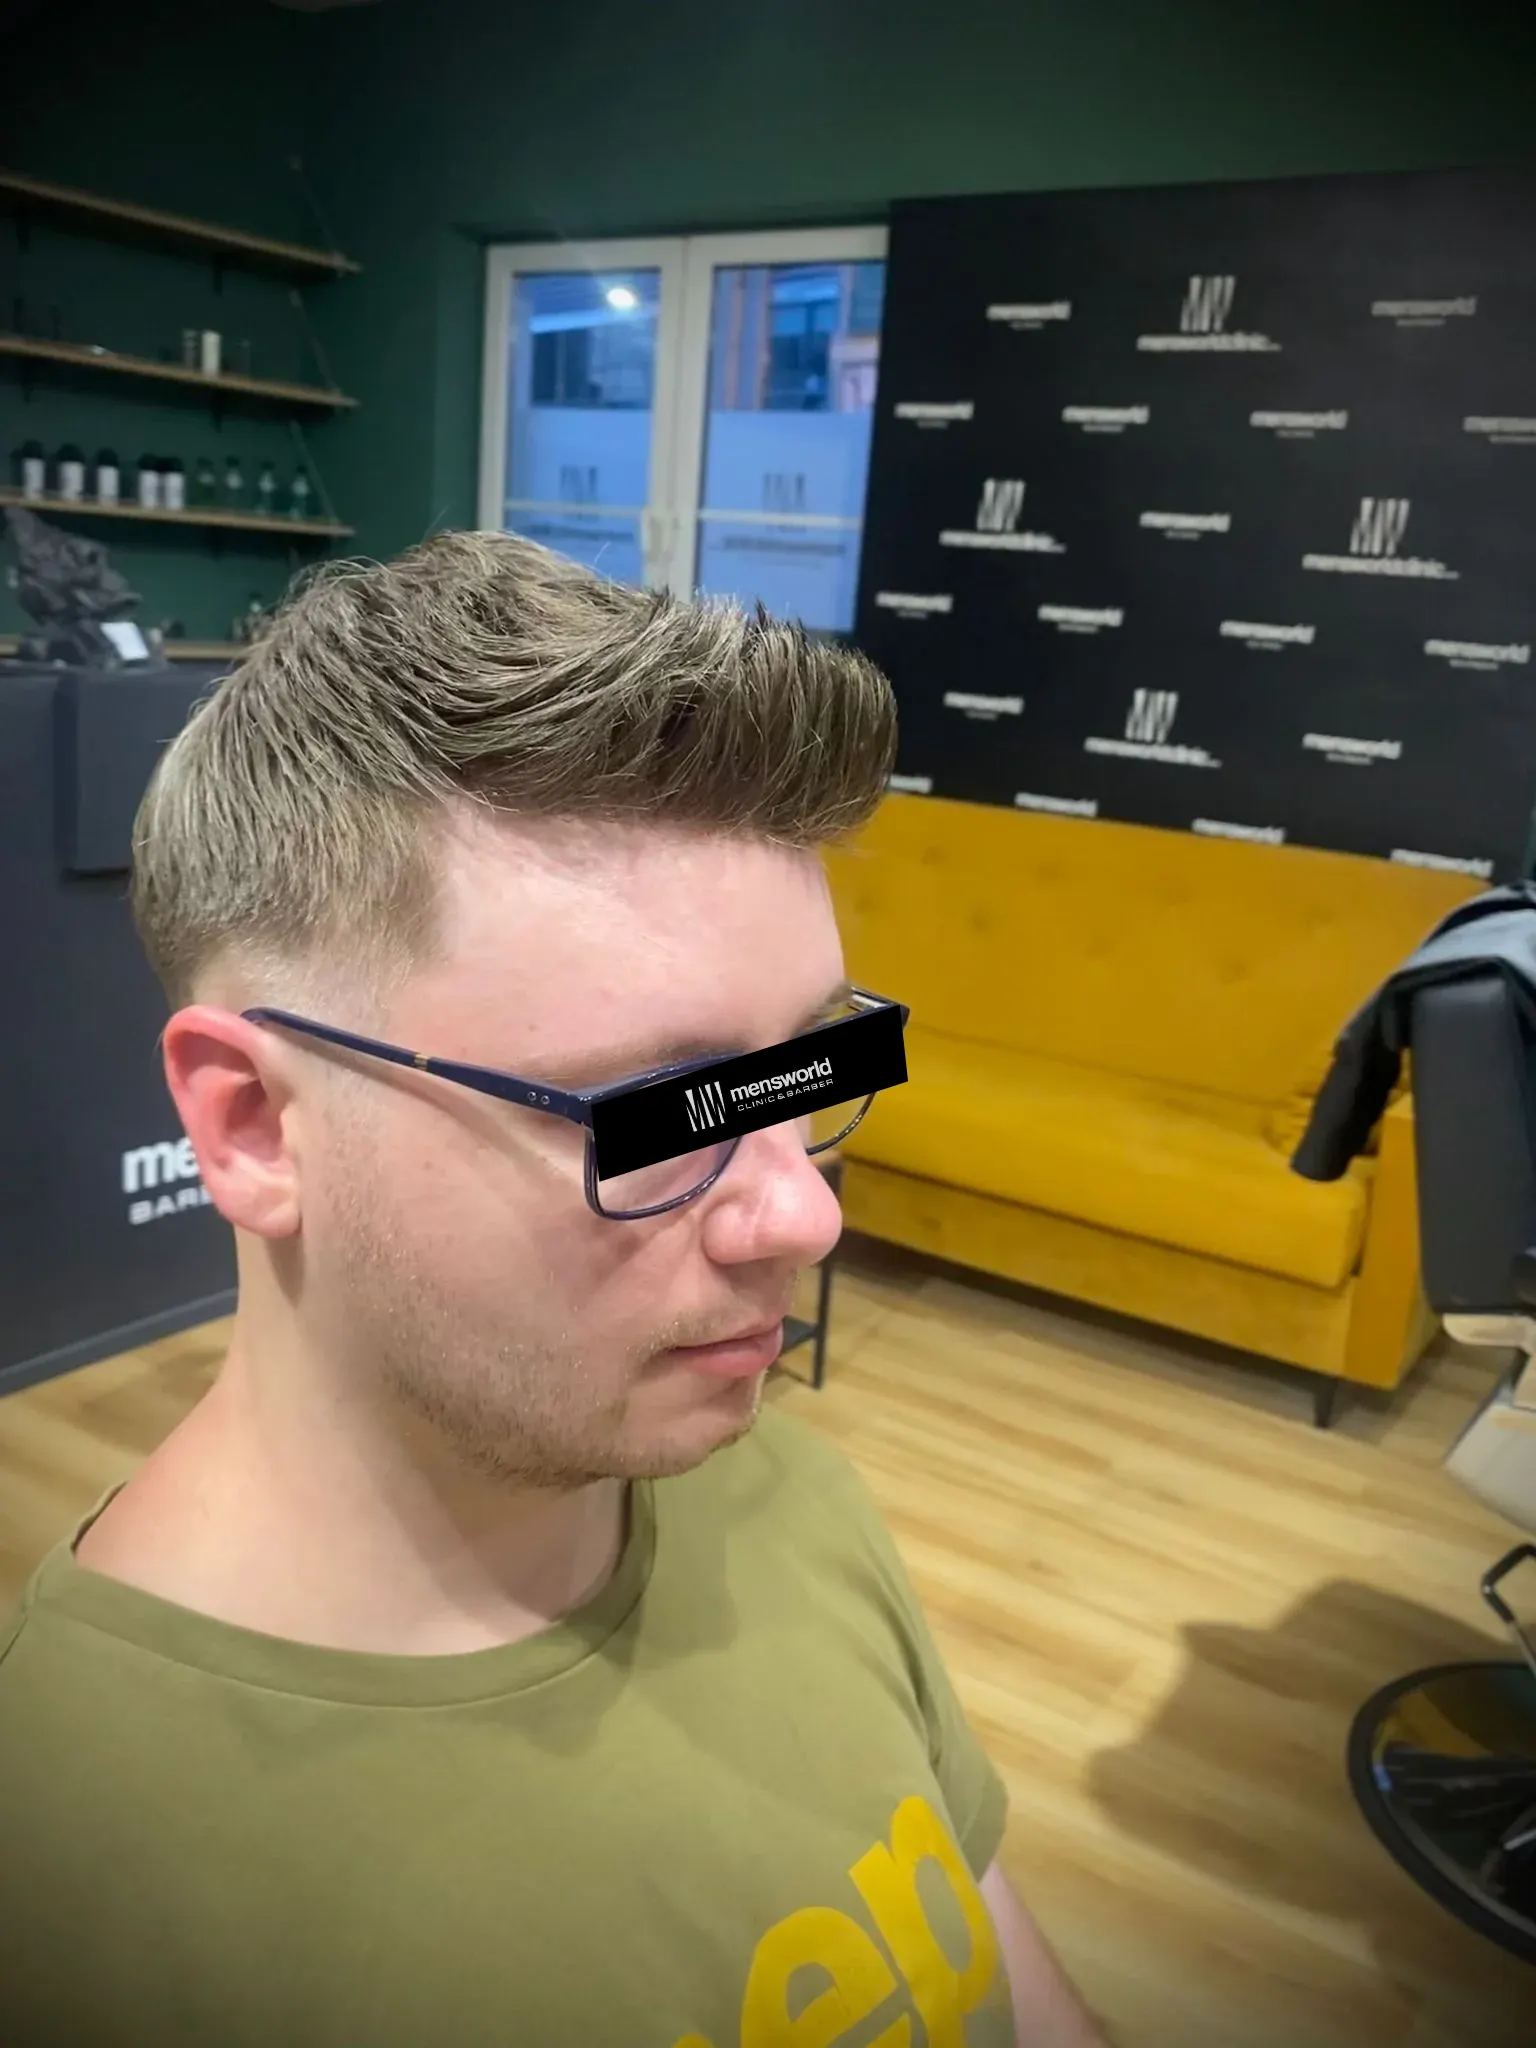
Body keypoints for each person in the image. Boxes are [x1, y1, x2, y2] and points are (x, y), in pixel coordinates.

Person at [0, 533, 1107, 2047]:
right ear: (254, 1126)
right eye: (659, 1112)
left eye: (807, 1070)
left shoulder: (785, 1497)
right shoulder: (68, 1880)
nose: (805, 1214)